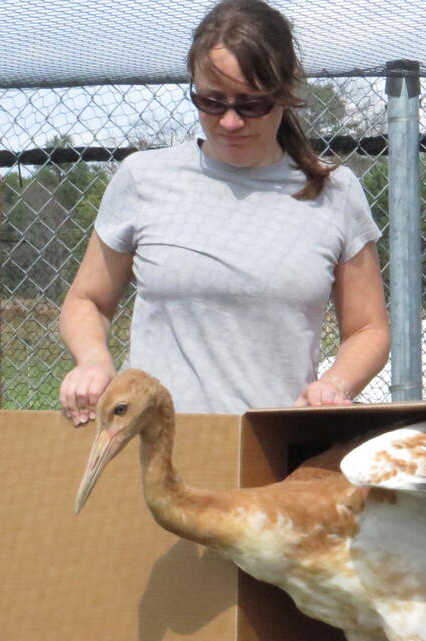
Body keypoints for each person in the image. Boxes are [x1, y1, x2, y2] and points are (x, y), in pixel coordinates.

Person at [59, 0, 388, 421]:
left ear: (286, 92)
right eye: (212, 102)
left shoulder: (334, 191)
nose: (229, 122)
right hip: (158, 445)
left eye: (251, 105)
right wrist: (93, 360)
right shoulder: (143, 178)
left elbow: (368, 329)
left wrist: (334, 384)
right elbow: (87, 300)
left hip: (273, 449)